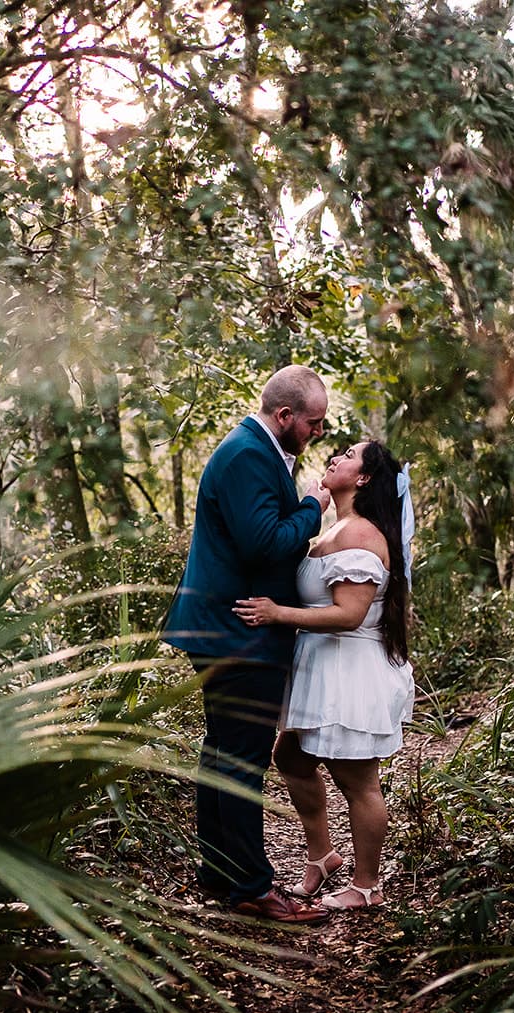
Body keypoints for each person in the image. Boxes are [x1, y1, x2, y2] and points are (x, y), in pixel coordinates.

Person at [162, 365, 332, 924]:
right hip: (238, 633)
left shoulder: (255, 451)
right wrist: (312, 507)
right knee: (241, 761)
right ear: (284, 416)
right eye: (313, 423)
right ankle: (252, 888)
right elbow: (265, 546)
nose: (318, 433)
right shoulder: (248, 456)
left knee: (222, 754)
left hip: (228, 628)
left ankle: (220, 873)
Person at [232, 440, 414, 911]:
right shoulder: (338, 529)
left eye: (349, 455)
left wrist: (277, 613)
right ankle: (322, 857)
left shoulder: (362, 535)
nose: (335, 457)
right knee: (291, 759)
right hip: (320, 667)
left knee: (358, 782)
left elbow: (349, 615)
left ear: (365, 478)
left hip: (348, 671)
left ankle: (367, 887)